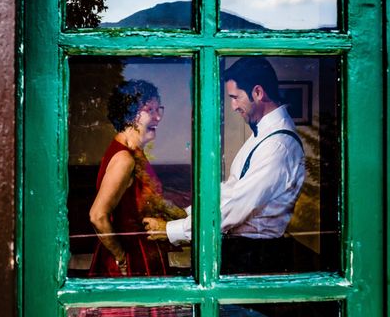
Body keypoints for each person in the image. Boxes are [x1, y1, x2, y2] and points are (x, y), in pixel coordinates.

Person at [143, 57, 305, 273]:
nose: (233, 106)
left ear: (258, 92)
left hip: (256, 258)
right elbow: (231, 191)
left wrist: (172, 230)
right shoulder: (265, 136)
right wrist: (187, 214)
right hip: (243, 252)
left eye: (235, 97)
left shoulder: (278, 146)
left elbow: (237, 205)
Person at [88, 79, 186, 277]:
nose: (158, 117)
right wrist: (121, 257)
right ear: (130, 113)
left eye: (160, 109)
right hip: (132, 261)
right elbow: (97, 216)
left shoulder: (134, 152)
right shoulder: (124, 158)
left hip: (143, 254)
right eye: (150, 110)